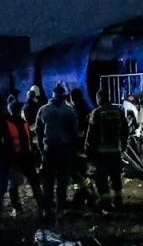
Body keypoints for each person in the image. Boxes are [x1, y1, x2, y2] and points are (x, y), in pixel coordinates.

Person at [34, 82, 80, 223]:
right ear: (63, 96)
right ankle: (60, 210)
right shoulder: (69, 111)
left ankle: (47, 210)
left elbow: (38, 131)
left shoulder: (43, 110)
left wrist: (42, 148)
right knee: (62, 182)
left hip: (49, 150)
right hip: (64, 150)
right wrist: (73, 149)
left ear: (52, 95)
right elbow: (74, 132)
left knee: (48, 182)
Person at [85, 86, 127, 209]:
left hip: (101, 151)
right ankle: (118, 199)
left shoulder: (97, 112)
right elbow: (125, 129)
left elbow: (91, 133)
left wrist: (88, 148)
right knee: (116, 176)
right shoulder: (118, 111)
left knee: (101, 178)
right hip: (116, 149)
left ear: (99, 99)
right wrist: (123, 144)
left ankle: (105, 201)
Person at [67, 87, 93, 203]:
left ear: (73, 98)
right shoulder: (86, 108)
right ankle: (85, 193)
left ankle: (83, 195)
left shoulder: (76, 111)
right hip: (85, 145)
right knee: (82, 170)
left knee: (76, 171)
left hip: (77, 146)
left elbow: (76, 130)